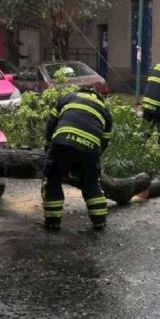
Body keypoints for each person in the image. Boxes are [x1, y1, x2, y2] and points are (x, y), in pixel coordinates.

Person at [42, 86, 113, 231]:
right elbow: (104, 141)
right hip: (90, 148)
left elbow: (51, 122)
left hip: (62, 143)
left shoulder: (67, 97)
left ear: (81, 92)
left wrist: (48, 147)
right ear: (98, 97)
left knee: (52, 180)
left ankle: (53, 222)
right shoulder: (105, 111)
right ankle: (99, 221)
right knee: (91, 183)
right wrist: (91, 159)